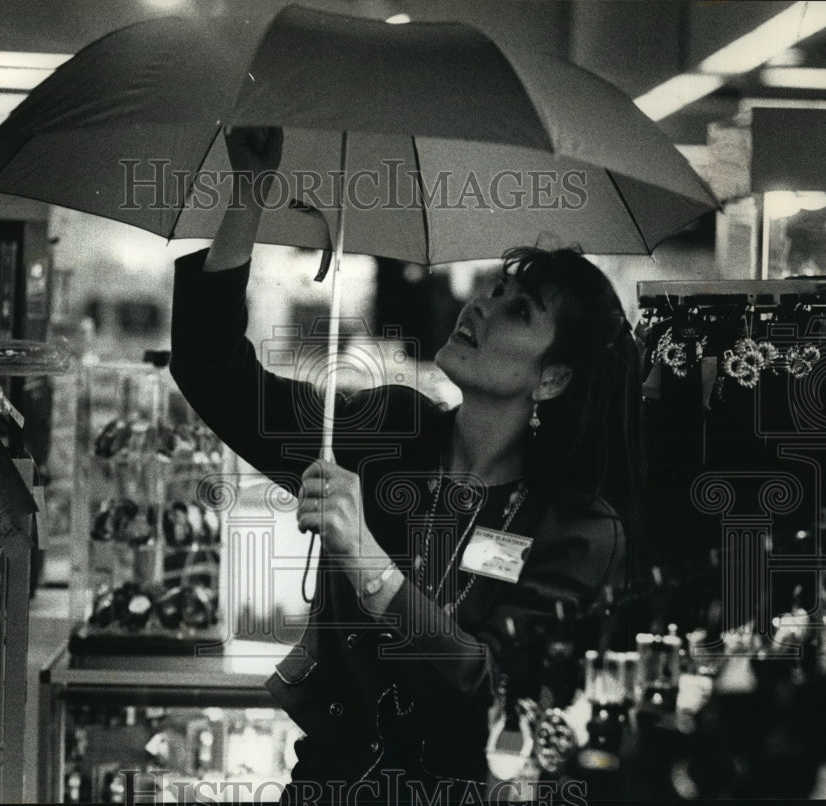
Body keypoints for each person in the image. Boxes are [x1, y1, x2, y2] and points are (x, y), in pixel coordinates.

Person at [170, 127, 642, 804]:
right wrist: (248, 193)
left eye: (518, 310)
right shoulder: (386, 432)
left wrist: (370, 565)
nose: (481, 305)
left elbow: (496, 691)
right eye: (494, 288)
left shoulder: (577, 531)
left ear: (553, 378)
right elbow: (211, 370)